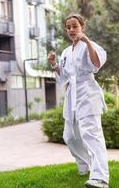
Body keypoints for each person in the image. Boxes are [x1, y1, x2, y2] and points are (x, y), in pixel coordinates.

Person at [48, 13, 109, 188]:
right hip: (72, 94)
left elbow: (97, 64)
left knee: (92, 135)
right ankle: (85, 166)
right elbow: (63, 78)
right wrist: (54, 64)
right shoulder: (67, 52)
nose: (71, 30)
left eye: (75, 26)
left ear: (82, 27)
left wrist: (88, 42)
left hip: (87, 93)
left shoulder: (89, 45)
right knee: (70, 136)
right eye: (68, 27)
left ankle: (100, 177)